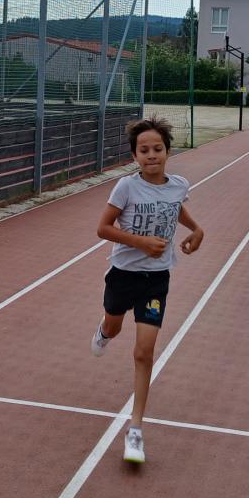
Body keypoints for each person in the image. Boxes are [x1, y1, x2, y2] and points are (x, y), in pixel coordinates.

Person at [91, 115, 204, 464]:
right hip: (123, 274)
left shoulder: (179, 185)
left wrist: (197, 229)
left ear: (168, 151)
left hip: (156, 279)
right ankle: (104, 331)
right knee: (114, 325)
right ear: (135, 155)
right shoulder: (126, 187)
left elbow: (175, 208)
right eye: (144, 150)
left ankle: (135, 429)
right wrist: (140, 242)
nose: (151, 155)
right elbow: (103, 228)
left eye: (157, 149)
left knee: (144, 352)